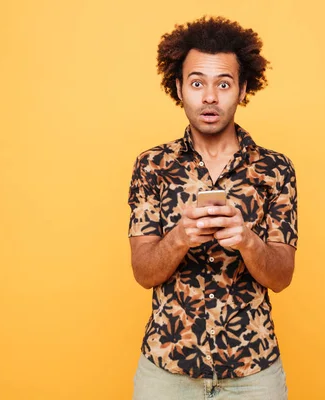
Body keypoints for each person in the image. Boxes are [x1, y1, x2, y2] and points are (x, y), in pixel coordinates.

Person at [128, 16, 298, 400]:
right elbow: (142, 272)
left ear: (242, 89)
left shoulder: (276, 170)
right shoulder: (151, 166)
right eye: (197, 83)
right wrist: (179, 237)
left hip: (254, 374)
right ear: (178, 87)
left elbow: (283, 276)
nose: (209, 97)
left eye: (223, 84)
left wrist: (249, 242)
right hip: (166, 373)